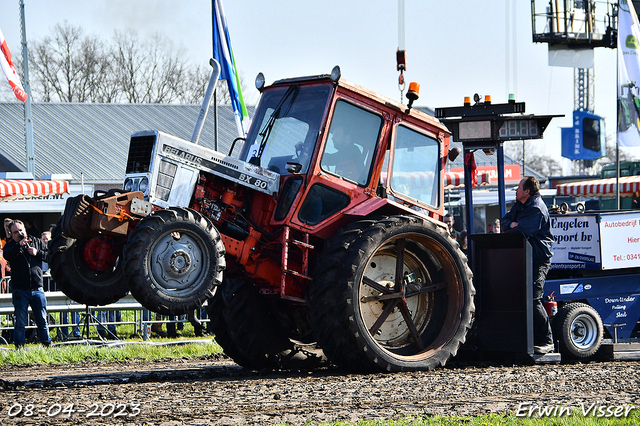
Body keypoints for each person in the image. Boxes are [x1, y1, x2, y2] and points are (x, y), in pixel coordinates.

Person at [501, 176, 554, 355]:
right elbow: (503, 223)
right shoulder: (520, 205)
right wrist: (513, 224)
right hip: (524, 257)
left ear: (527, 191)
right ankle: (528, 339)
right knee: (521, 297)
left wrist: (514, 225)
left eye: (518, 187)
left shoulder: (536, 208)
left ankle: (547, 341)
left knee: (533, 299)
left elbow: (522, 231)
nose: (516, 190)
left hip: (538, 259)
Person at [3, 220, 51, 348]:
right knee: (20, 321)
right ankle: (19, 346)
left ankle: (46, 345)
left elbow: (50, 256)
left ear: (25, 229)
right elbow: (7, 255)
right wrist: (19, 245)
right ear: (11, 234)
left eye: (21, 230)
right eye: (16, 232)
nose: (19, 233)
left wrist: (37, 253)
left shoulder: (36, 241)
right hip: (20, 290)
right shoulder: (10, 245)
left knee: (41, 319)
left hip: (37, 289)